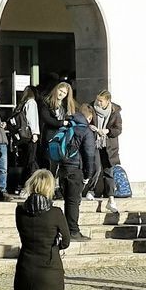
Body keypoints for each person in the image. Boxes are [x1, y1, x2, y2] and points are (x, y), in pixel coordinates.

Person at [14, 169, 70, 290]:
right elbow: (66, 241)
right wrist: (56, 245)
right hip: (50, 267)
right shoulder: (55, 213)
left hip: (25, 266)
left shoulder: (19, 211)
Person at [57, 103, 97, 242]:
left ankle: (67, 230)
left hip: (62, 169)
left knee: (68, 201)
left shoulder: (68, 126)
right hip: (76, 170)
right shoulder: (86, 131)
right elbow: (89, 155)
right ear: (90, 117)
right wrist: (88, 175)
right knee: (73, 202)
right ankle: (73, 231)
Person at [86, 90, 123, 214]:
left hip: (109, 146)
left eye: (101, 101)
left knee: (109, 171)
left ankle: (111, 199)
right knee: (95, 167)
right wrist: (92, 128)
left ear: (108, 101)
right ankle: (90, 190)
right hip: (95, 143)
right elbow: (86, 120)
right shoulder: (91, 108)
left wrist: (107, 131)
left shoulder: (115, 112)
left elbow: (118, 129)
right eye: (98, 100)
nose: (98, 102)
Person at [39, 81, 76, 174]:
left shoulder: (66, 105)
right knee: (50, 162)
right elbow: (47, 118)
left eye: (64, 93)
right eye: (60, 90)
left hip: (63, 136)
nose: (61, 94)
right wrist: (62, 123)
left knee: (62, 162)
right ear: (56, 89)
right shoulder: (46, 102)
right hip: (50, 136)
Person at [18, 85, 41, 188]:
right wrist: (35, 133)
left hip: (22, 136)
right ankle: (27, 184)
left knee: (26, 160)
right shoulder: (32, 103)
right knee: (30, 160)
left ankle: (22, 184)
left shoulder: (22, 104)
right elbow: (32, 119)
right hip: (30, 135)